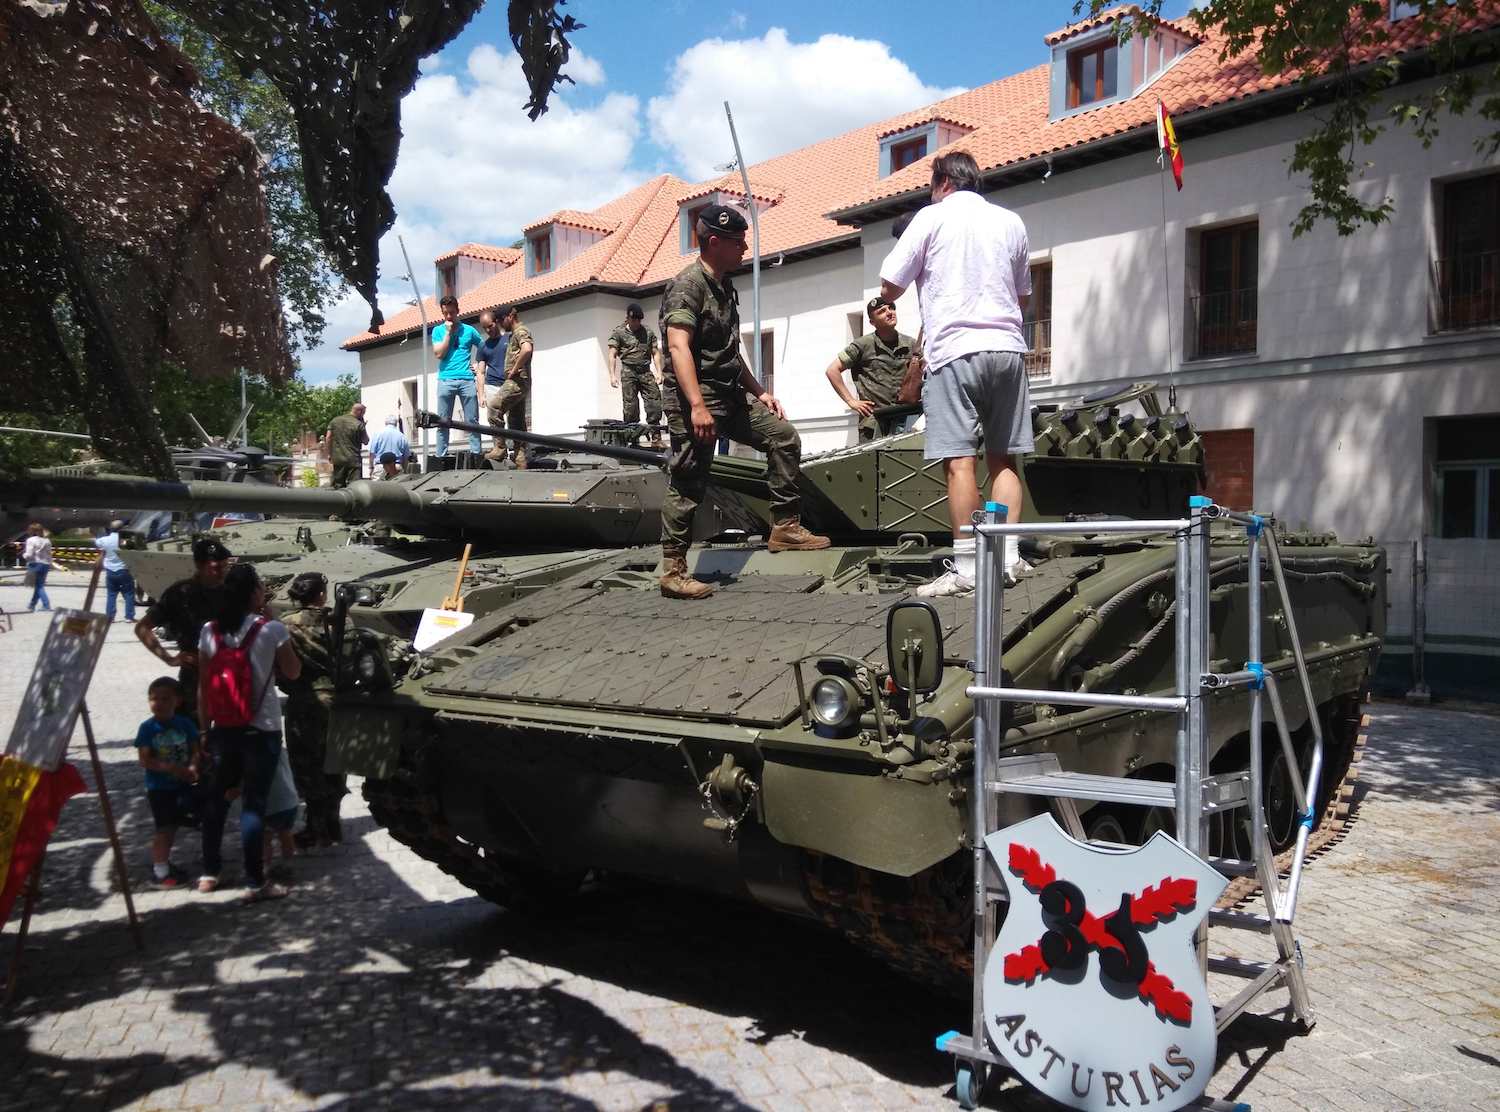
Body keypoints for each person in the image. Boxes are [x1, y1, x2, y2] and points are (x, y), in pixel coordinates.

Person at [879, 150, 1034, 597]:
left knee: (960, 461)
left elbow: (889, 287)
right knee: (1003, 459)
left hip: (954, 351)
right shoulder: (1011, 221)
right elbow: (1023, 296)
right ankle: (1007, 557)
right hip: (1007, 350)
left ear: (943, 182)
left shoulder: (930, 218)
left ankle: (968, 567)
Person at [657, 204, 829, 600]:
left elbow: (730, 353)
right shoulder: (688, 286)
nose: (745, 249)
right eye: (738, 242)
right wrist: (697, 406)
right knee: (688, 479)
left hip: (731, 395)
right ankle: (673, 571)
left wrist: (760, 392)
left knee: (783, 436)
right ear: (715, 242)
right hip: (697, 400)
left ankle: (785, 527)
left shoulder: (723, 285)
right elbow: (678, 348)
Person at [197, 563, 300, 899]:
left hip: (223, 729)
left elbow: (203, 686)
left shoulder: (209, 631)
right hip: (262, 729)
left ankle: (209, 873)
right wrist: (271, 619)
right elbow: (293, 672)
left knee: (215, 803)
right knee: (254, 806)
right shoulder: (271, 630)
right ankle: (255, 883)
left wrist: (204, 730)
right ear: (255, 592)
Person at [278, 572, 348, 848]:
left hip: (304, 701)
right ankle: (332, 822)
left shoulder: (285, 625)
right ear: (321, 595)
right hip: (337, 701)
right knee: (335, 763)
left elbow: (282, 667)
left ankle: (315, 827)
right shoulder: (340, 622)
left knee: (307, 765)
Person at [136, 537, 231, 720]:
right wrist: (169, 659)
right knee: (193, 730)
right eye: (216, 567)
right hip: (194, 678)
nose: (222, 572)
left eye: (225, 566)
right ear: (199, 565)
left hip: (228, 676)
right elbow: (142, 628)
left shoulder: (231, 592)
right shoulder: (181, 593)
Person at [135, 676, 200, 888]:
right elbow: (145, 760)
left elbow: (195, 750)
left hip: (182, 785)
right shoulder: (147, 728)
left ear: (177, 701)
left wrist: (193, 767)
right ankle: (160, 872)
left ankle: (164, 863)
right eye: (154, 699)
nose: (159, 704)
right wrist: (171, 768)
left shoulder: (185, 724)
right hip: (160, 788)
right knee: (164, 829)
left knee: (173, 827)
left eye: (165, 699)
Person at [824, 297, 918, 441]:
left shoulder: (911, 345)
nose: (889, 312)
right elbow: (832, 370)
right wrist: (851, 401)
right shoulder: (863, 345)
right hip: (875, 423)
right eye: (882, 311)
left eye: (891, 308)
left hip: (904, 421)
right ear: (872, 322)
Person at [432, 294, 485, 457]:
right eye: (445, 313)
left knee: (472, 421)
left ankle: (476, 455)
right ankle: (441, 456)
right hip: (445, 379)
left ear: (458, 311)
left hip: (467, 380)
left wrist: (478, 364)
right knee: (443, 422)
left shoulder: (469, 330)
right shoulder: (438, 330)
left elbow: (483, 348)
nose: (449, 316)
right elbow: (439, 354)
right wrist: (448, 334)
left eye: (452, 312)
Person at [607, 303, 665, 449]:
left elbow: (655, 353)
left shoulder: (647, 332)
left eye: (639, 320)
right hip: (628, 372)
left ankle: (656, 438)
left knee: (654, 403)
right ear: (628, 318)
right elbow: (612, 354)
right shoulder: (619, 332)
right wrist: (612, 375)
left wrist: (659, 372)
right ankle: (633, 440)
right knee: (630, 407)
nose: (636, 323)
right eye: (634, 320)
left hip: (645, 371)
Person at [482, 305, 533, 468]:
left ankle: (500, 448)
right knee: (516, 420)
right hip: (520, 382)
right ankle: (520, 457)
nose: (500, 325)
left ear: (510, 317)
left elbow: (527, 349)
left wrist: (515, 369)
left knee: (494, 407)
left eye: (500, 320)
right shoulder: (514, 334)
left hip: (516, 381)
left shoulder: (520, 331)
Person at [474, 310, 511, 459]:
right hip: (492, 385)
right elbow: (480, 372)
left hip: (509, 384)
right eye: (485, 328)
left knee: (514, 419)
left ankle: (520, 450)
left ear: (496, 322)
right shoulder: (483, 346)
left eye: (490, 326)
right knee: (493, 418)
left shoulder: (509, 339)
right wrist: (481, 394)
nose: (488, 330)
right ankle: (499, 448)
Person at [94, 519, 137, 622]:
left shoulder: (104, 540)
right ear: (122, 528)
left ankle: (110, 617)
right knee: (129, 593)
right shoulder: (125, 540)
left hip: (110, 570)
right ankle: (129, 617)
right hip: (124, 569)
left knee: (111, 594)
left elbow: (96, 542)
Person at [21, 522, 64, 612]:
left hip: (35, 564)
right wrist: (52, 564)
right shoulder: (47, 541)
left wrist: (23, 555)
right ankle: (32, 604)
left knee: (39, 586)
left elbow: (29, 554)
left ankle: (46, 605)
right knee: (39, 585)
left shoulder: (31, 540)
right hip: (45, 564)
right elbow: (49, 555)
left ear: (32, 531)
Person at [323, 403, 368, 487]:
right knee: (355, 486)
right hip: (353, 459)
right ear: (359, 411)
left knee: (338, 485)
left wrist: (329, 454)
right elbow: (366, 441)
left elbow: (328, 437)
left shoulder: (335, 421)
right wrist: (363, 426)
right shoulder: (358, 424)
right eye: (363, 413)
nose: (363, 415)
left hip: (338, 459)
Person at [368, 415, 410, 480]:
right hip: (396, 466)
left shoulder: (378, 434)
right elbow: (406, 457)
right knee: (397, 485)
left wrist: (371, 467)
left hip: (380, 467)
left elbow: (372, 453)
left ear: (385, 423)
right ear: (396, 424)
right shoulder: (402, 436)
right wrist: (405, 470)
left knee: (377, 486)